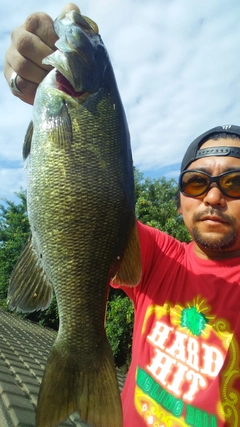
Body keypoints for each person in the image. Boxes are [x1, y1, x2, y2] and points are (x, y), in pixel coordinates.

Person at [4, 4, 240, 427]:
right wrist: (35, 76)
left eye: (236, 184)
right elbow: (85, 204)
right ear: (181, 198)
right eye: (196, 183)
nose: (214, 196)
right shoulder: (159, 258)